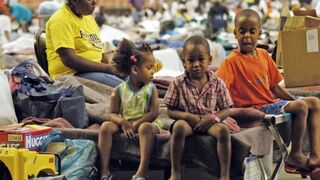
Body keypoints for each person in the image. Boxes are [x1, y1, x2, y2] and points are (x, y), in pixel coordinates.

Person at [216, 9, 320, 173]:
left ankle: (316, 155)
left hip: (271, 103)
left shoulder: (264, 55)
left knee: (314, 102)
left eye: (252, 31)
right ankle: (295, 155)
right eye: (242, 32)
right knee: (301, 107)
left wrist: (293, 99)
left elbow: (274, 87)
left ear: (260, 33)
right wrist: (224, 114)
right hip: (256, 108)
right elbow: (218, 89)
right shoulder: (231, 62)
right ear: (235, 33)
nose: (247, 36)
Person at [164, 35, 233, 180]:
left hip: (209, 122)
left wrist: (213, 118)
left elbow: (226, 109)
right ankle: (175, 172)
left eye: (201, 59)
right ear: (184, 62)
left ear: (209, 60)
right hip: (188, 121)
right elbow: (170, 110)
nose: (196, 64)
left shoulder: (217, 82)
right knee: (179, 128)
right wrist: (187, 116)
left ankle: (225, 175)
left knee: (223, 131)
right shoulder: (177, 83)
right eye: (191, 60)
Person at [98, 39, 164, 180]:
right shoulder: (119, 90)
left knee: (144, 128)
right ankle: (104, 170)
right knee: (105, 127)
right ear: (135, 70)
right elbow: (112, 114)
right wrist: (122, 122)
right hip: (127, 123)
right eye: (149, 68)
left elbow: (153, 114)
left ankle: (143, 169)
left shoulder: (152, 89)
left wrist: (136, 124)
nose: (153, 72)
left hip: (147, 123)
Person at [45, 0, 124, 87]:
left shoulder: (89, 18)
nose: (94, 2)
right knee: (127, 88)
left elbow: (97, 48)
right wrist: (108, 69)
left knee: (134, 77)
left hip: (93, 71)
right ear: (74, 1)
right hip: (72, 74)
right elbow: (69, 60)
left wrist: (112, 66)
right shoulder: (60, 20)